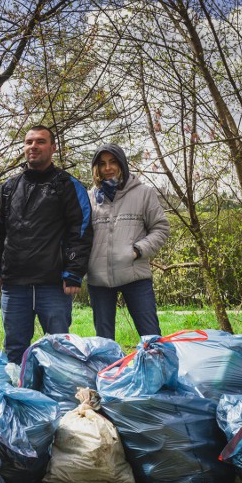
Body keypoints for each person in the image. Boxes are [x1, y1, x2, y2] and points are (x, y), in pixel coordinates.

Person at [0, 124, 94, 364]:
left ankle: (57, 397)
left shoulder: (68, 186)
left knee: (59, 349)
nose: (33, 146)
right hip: (14, 285)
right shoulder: (7, 189)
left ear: (53, 147)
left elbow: (80, 230)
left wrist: (74, 272)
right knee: (14, 349)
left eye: (40, 141)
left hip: (54, 285)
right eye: (29, 142)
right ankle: (19, 397)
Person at [86, 143, 169, 340]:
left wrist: (137, 251)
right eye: (103, 163)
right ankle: (110, 371)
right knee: (104, 341)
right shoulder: (89, 198)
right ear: (96, 168)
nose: (108, 168)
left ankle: (158, 370)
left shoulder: (143, 193)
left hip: (135, 277)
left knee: (151, 336)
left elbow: (161, 228)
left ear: (122, 164)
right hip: (98, 280)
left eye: (113, 162)